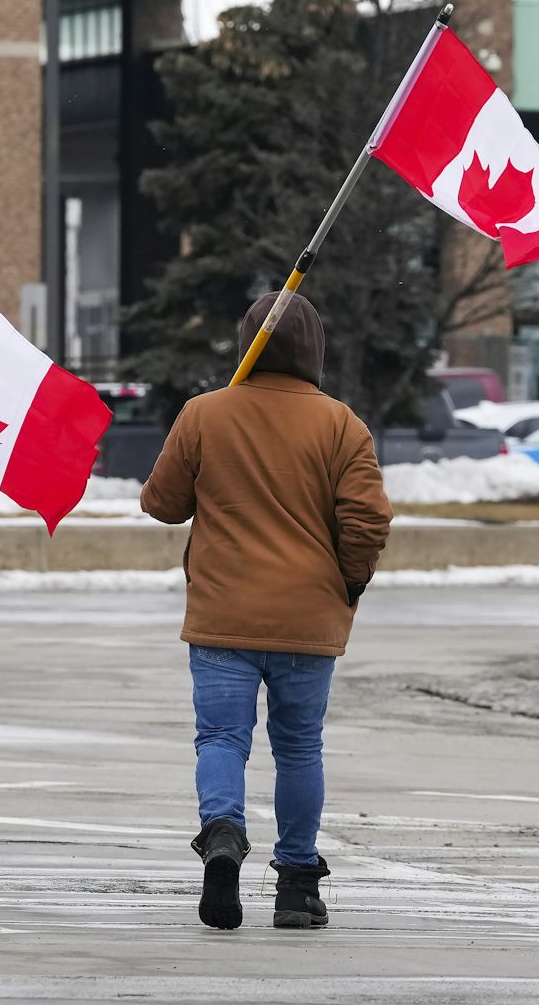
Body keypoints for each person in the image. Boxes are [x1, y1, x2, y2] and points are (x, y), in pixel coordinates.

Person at [141, 292, 392, 932]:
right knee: (299, 746)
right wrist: (349, 582)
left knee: (222, 738)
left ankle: (222, 831)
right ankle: (298, 885)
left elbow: (162, 504)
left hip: (224, 612)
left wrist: (207, 444)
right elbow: (367, 520)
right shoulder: (341, 425)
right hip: (309, 617)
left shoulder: (205, 413)